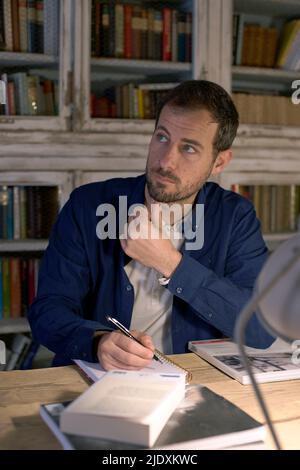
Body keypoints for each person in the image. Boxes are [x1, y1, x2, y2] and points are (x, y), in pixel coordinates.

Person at [28, 80, 275, 370]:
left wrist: (171, 263)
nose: (166, 161)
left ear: (219, 162)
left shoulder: (235, 216)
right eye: (162, 137)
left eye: (189, 149)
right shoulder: (88, 205)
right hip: (97, 377)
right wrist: (96, 341)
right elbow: (47, 310)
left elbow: (261, 328)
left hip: (192, 383)